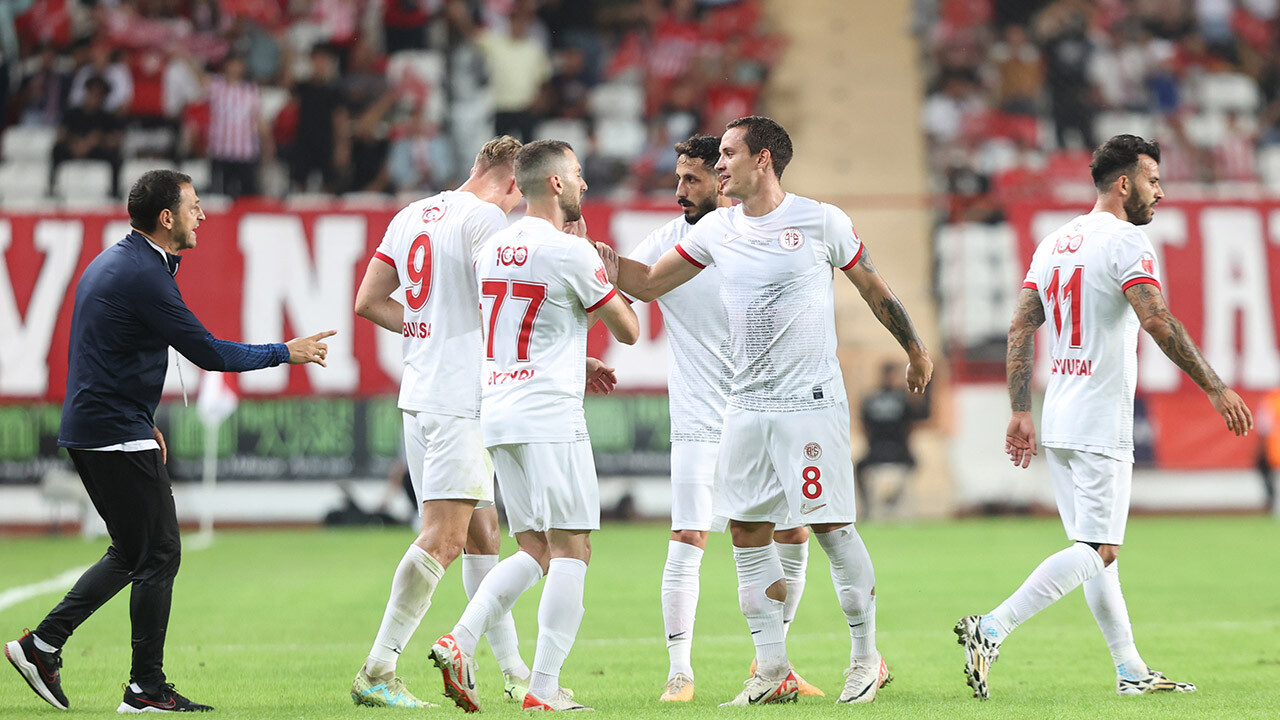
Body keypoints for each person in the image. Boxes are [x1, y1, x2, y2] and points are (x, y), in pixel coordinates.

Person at [601, 116, 933, 706]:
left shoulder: (820, 220)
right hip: (745, 408)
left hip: (808, 406)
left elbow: (874, 289)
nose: (719, 164)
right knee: (748, 535)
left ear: (763, 161)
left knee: (831, 530)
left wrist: (912, 348)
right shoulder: (717, 230)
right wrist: (594, 256)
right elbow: (649, 284)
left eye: (728, 154)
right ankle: (771, 669)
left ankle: (865, 658)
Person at [4, 169, 334, 713]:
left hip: (103, 426)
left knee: (134, 551)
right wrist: (285, 351)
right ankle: (145, 689)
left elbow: (107, 350)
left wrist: (141, 416)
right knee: (160, 553)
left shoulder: (124, 262)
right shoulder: (143, 274)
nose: (202, 214)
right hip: (112, 431)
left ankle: (43, 646)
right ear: (167, 217)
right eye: (194, 206)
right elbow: (208, 353)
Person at [954, 134, 1254, 700]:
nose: (1159, 193)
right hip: (1099, 419)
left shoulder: (1054, 242)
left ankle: (1131, 670)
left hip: (1062, 415)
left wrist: (1021, 410)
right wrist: (1216, 388)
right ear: (1124, 183)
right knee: (1100, 550)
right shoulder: (1126, 243)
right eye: (1153, 181)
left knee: (1094, 551)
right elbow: (1158, 321)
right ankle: (991, 628)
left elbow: (1021, 327)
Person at [430, 140, 638, 712]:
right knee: (573, 550)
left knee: (535, 549)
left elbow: (520, 321)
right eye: (576, 174)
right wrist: (606, 273)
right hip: (550, 413)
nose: (584, 184)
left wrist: (575, 356)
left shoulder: (491, 247)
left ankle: (460, 639)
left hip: (498, 410)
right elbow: (628, 330)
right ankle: (543, 690)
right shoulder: (572, 252)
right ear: (554, 184)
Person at [622, 134, 821, 702]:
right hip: (697, 419)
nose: (679, 190)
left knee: (792, 532)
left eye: (692, 179)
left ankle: (773, 664)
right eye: (678, 178)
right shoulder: (665, 243)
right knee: (688, 536)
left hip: (764, 415)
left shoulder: (759, 235)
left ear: (723, 177)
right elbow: (615, 291)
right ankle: (679, 673)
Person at [351, 136, 527, 707]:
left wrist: (427, 330)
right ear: (511, 182)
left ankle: (514, 672)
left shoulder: (411, 215)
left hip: (421, 392)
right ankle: (379, 667)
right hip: (459, 400)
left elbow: (369, 301)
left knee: (482, 533)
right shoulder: (485, 221)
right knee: (445, 538)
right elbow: (509, 308)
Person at [855, 361, 929, 519]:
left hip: (886, 450)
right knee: (861, 468)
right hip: (891, 450)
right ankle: (874, 506)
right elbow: (914, 423)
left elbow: (865, 426)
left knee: (861, 468)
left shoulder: (872, 398)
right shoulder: (901, 399)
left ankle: (889, 500)